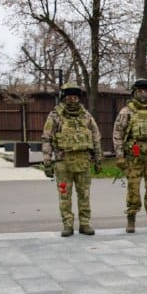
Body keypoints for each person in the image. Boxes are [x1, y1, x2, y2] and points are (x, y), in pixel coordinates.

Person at [41, 82, 103, 237]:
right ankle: (67, 224)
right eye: (69, 96)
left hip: (83, 162)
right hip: (63, 163)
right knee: (64, 196)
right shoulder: (55, 116)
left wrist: (98, 158)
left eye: (75, 96)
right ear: (64, 97)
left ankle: (85, 223)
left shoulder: (86, 116)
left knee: (84, 194)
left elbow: (96, 137)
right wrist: (47, 162)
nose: (72, 99)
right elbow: (46, 139)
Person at [112, 78, 147, 233]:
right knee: (133, 189)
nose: (143, 93)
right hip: (134, 158)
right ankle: (131, 220)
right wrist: (119, 156)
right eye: (139, 91)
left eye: (145, 91)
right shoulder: (127, 111)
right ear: (134, 92)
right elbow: (117, 134)